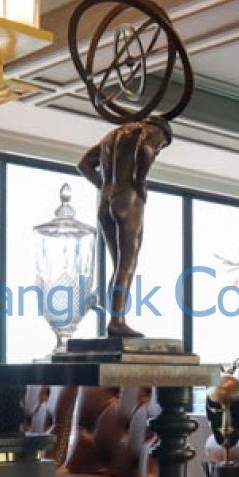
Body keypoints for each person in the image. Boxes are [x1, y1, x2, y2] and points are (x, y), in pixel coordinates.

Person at [76, 116, 172, 337]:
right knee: (127, 264)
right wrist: (140, 182)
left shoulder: (111, 136)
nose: (160, 149)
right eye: (162, 147)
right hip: (128, 200)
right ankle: (117, 321)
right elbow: (145, 149)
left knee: (118, 266)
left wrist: (105, 186)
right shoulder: (151, 131)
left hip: (106, 202)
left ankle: (115, 319)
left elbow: (83, 165)